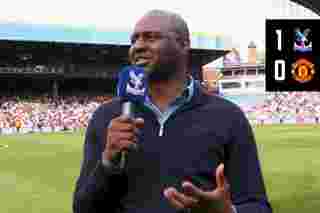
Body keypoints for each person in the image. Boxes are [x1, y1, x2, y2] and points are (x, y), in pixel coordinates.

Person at [73, 9, 272, 213]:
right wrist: (107, 162)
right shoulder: (107, 117)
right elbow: (82, 209)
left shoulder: (228, 117)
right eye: (134, 40)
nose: (138, 46)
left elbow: (258, 206)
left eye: (151, 37)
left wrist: (228, 212)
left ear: (184, 44)